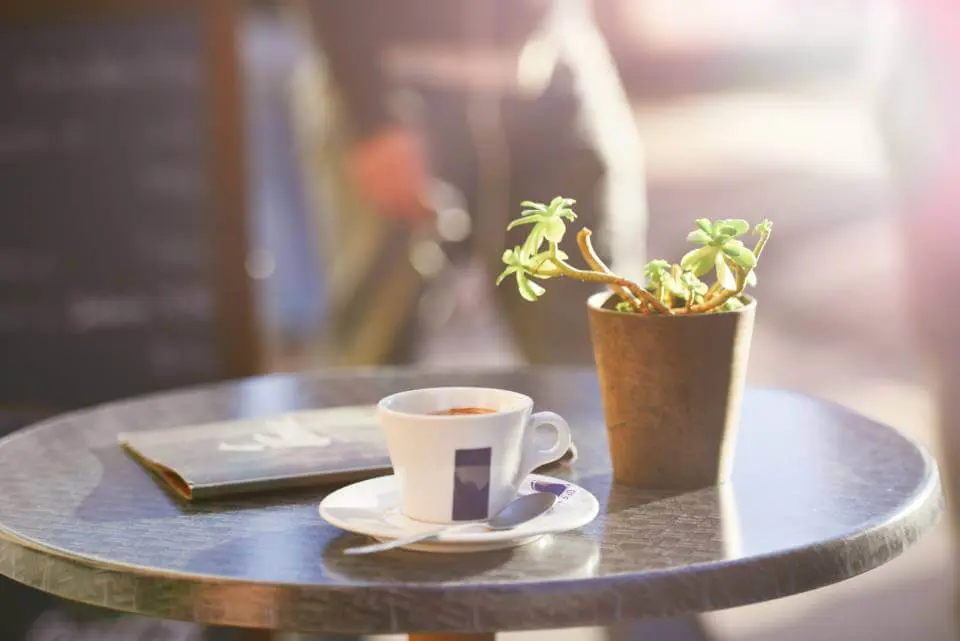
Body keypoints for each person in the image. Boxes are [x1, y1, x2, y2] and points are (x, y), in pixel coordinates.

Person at [295, 0, 650, 366]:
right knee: (378, 341)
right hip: (393, 75)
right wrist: (371, 116)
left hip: (551, 60)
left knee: (591, 338)